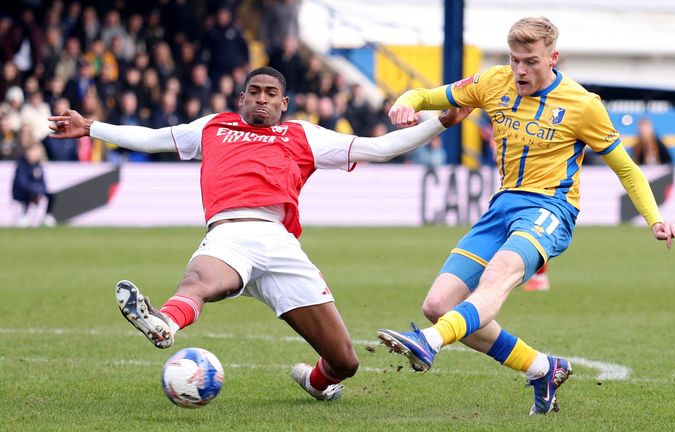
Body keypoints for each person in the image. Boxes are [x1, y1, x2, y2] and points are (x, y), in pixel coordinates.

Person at [48, 66, 470, 402]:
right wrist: (91, 128)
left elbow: (378, 148)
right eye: (254, 92)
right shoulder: (214, 127)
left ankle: (318, 383)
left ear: (283, 102)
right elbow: (152, 138)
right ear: (242, 98)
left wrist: (441, 123)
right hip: (229, 232)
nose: (262, 98)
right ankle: (165, 323)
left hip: (279, 243)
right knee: (198, 282)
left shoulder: (303, 134)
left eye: (270, 93)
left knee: (345, 361)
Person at [377, 17, 675, 415]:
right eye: (515, 60)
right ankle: (542, 367)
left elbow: (627, 169)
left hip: (549, 210)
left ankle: (431, 342)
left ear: (553, 58)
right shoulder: (493, 82)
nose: (521, 71)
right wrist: (404, 104)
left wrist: (654, 218)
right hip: (501, 207)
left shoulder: (583, 105)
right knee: (438, 305)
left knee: (495, 279)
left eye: (531, 61)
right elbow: (424, 95)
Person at [12, 143, 56, 227]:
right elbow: (22, 183)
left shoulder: (38, 165)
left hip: (36, 191)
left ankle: (47, 216)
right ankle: (23, 216)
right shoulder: (21, 165)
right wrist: (35, 189)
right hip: (20, 193)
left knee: (51, 195)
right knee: (28, 194)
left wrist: (40, 191)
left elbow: (43, 182)